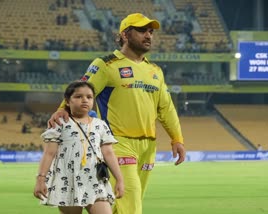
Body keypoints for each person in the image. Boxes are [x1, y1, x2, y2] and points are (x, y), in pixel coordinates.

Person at [48, 13, 185, 214]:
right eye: (141, 30)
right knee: (132, 203)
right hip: (117, 143)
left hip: (148, 147)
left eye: (150, 31)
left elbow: (166, 107)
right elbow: (82, 89)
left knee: (122, 203)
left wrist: (177, 138)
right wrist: (62, 109)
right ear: (125, 34)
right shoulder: (106, 65)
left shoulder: (155, 70)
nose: (148, 35)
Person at [34, 81, 124, 214]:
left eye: (89, 97)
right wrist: (41, 180)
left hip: (95, 180)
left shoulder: (100, 125)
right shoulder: (60, 124)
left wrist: (120, 180)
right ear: (68, 101)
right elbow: (49, 154)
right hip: (67, 182)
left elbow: (108, 153)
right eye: (78, 97)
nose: (84, 100)